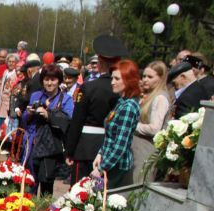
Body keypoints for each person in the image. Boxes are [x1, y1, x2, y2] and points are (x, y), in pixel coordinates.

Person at [65, 35, 126, 185]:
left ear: (100, 62)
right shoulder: (122, 89)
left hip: (85, 146)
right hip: (108, 148)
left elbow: (77, 120)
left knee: (79, 192)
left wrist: (70, 150)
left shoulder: (89, 87)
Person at [22, 64, 75, 196]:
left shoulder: (66, 99)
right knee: (29, 183)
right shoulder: (36, 95)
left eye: (53, 80)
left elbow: (68, 121)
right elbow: (24, 119)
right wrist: (29, 113)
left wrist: (49, 115)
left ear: (59, 81)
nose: (49, 83)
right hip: (32, 144)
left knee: (46, 185)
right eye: (46, 79)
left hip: (49, 147)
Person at [92, 60, 141, 189]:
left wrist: (101, 168)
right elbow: (110, 135)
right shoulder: (121, 102)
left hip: (117, 167)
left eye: (117, 78)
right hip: (110, 162)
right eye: (112, 78)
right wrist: (100, 153)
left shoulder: (128, 107)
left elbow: (120, 146)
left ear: (129, 80)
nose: (112, 82)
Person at [132, 61, 170, 183]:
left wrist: (133, 125)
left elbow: (155, 128)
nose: (145, 80)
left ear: (160, 78)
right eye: (144, 76)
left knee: (139, 183)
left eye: (150, 77)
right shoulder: (148, 95)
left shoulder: (160, 98)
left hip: (147, 150)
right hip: (137, 148)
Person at [0, 53, 19, 143]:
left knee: (7, 123)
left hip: (9, 102)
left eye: (13, 62)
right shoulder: (5, 72)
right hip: (1, 100)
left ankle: (5, 143)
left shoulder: (16, 74)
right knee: (0, 121)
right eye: (9, 61)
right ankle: (0, 140)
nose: (11, 63)